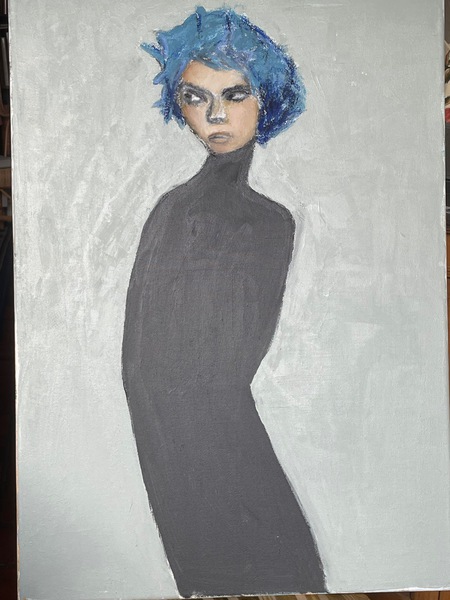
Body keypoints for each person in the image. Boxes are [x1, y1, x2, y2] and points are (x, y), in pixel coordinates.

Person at [122, 7, 326, 597]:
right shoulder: (172, 213)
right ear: (178, 104)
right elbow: (143, 371)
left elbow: (231, 371)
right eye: (195, 97)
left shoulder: (271, 223)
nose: (214, 115)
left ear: (266, 100)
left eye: (234, 95)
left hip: (226, 451)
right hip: (185, 457)